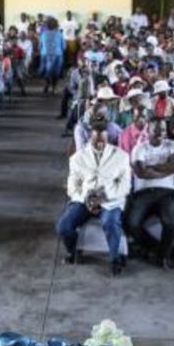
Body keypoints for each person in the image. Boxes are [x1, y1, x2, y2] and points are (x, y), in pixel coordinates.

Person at [57, 117, 132, 276]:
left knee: (110, 222)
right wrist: (87, 198)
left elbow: (125, 186)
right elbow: (72, 185)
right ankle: (73, 251)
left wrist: (102, 197)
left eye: (103, 140)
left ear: (109, 138)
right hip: (84, 200)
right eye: (96, 139)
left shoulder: (121, 157)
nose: (99, 143)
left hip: (110, 201)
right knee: (63, 226)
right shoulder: (78, 158)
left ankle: (114, 258)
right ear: (90, 137)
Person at [126, 118, 174, 270]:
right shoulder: (140, 148)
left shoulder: (172, 145)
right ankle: (152, 248)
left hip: (168, 192)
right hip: (143, 192)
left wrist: (151, 168)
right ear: (148, 130)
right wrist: (166, 169)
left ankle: (162, 257)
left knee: (173, 222)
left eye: (164, 130)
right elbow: (141, 172)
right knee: (132, 223)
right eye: (156, 130)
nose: (161, 134)